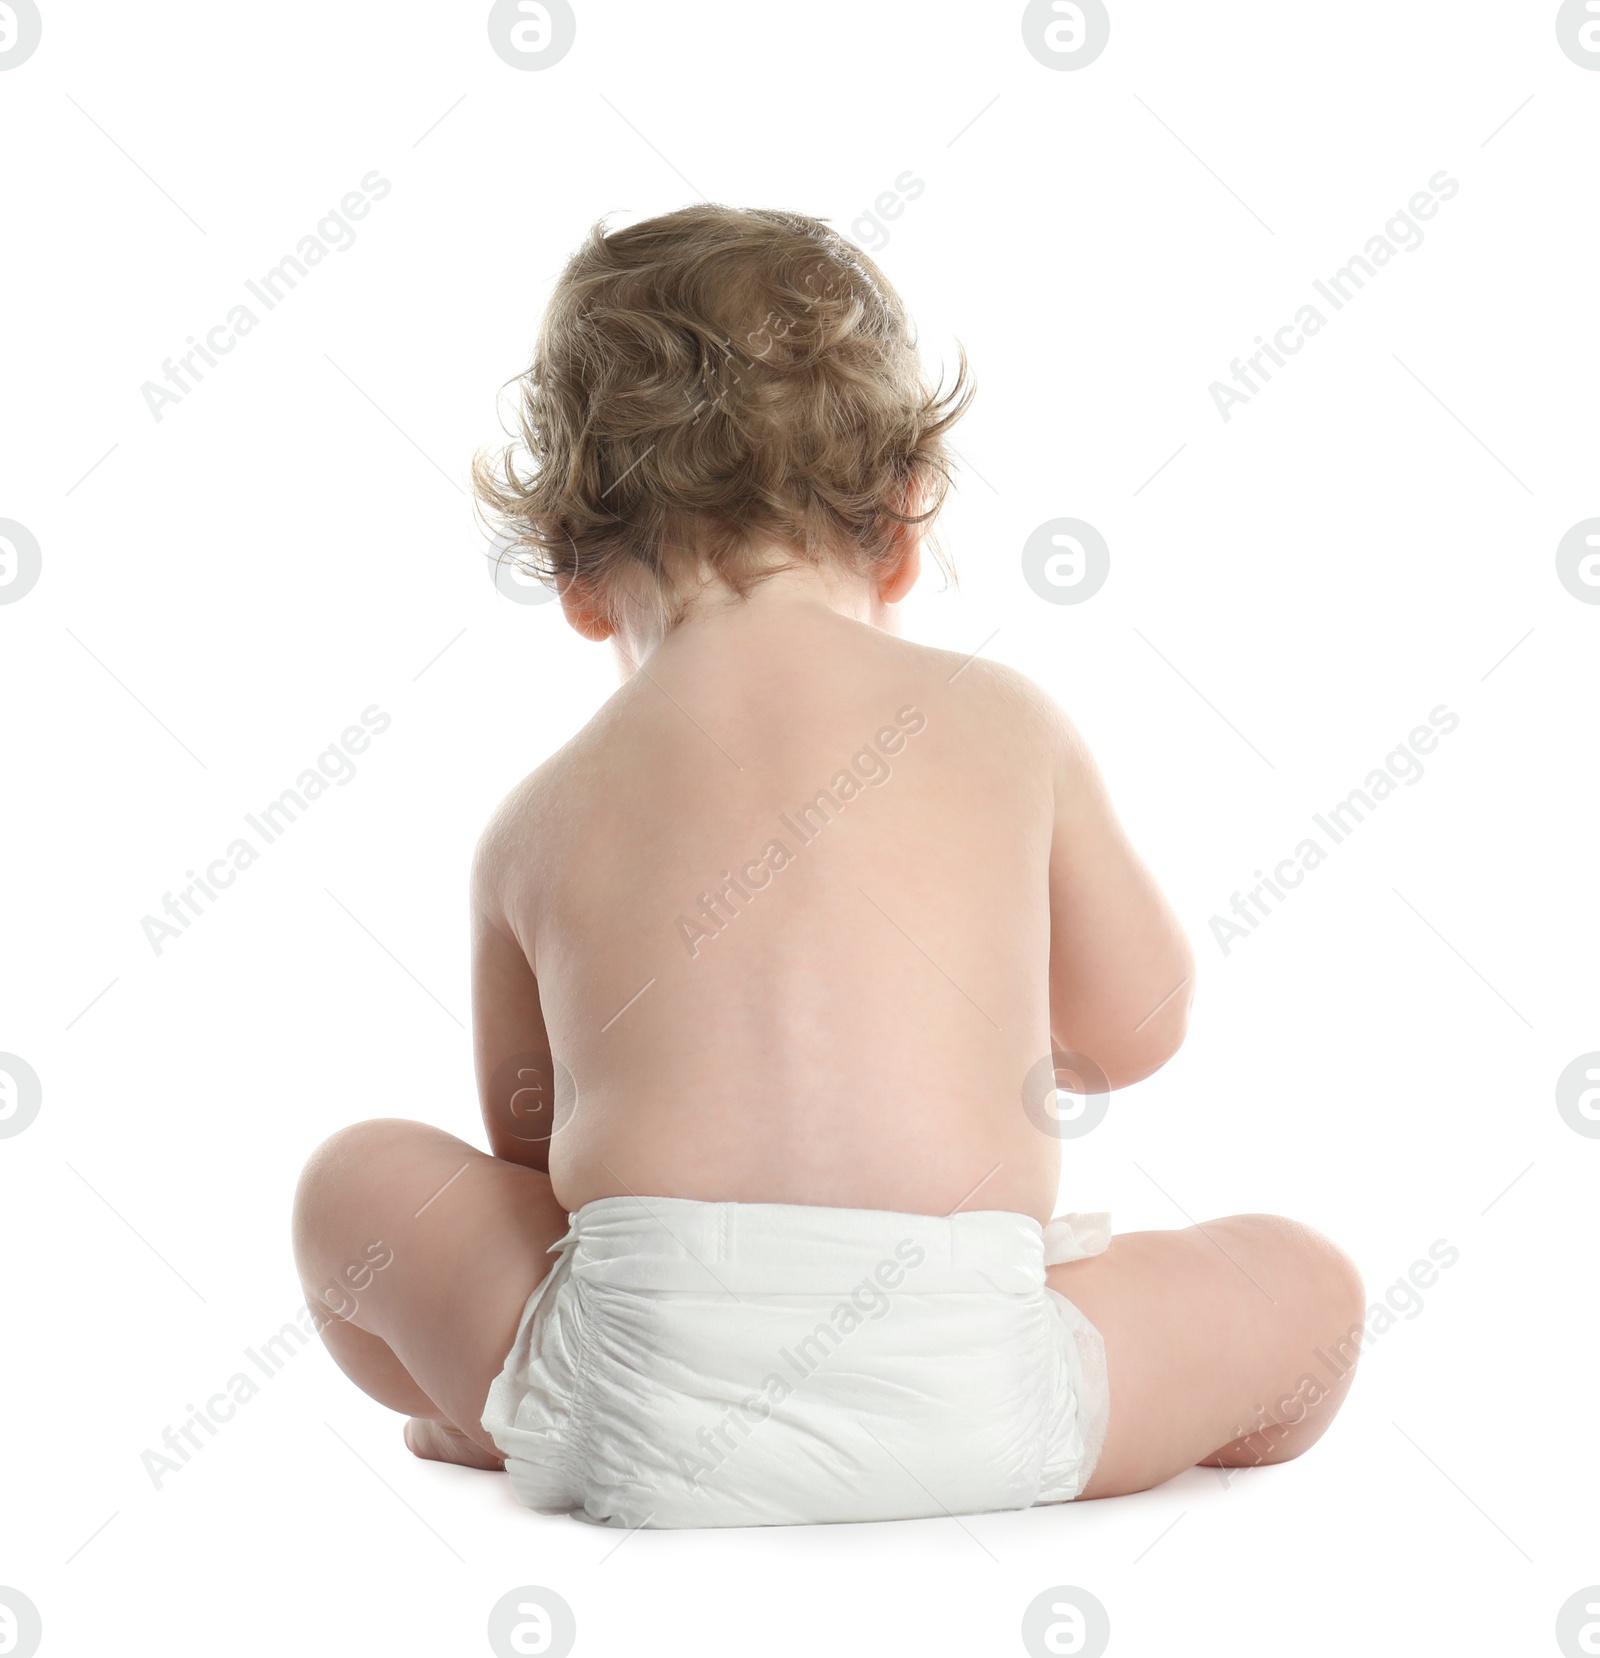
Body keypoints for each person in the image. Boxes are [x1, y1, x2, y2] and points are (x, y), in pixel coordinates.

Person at [293, 205, 1363, 1528]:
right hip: (981, 1392)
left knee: (353, 1184)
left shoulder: (539, 816)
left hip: (632, 1397)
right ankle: (1180, 1417)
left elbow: (534, 1150)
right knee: (1306, 1282)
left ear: (572, 575)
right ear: (905, 529)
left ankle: (501, 1412)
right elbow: (1141, 1025)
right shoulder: (1005, 725)